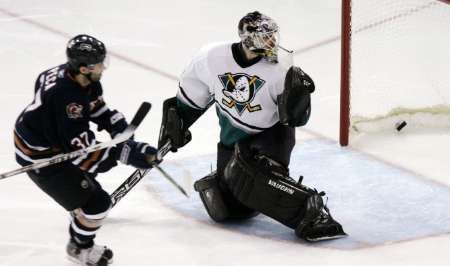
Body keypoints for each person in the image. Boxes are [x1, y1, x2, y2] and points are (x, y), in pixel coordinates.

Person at [158, 11, 346, 241]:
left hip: (270, 138)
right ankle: (242, 179)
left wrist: (299, 97)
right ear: (248, 39)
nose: (272, 42)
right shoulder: (211, 58)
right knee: (227, 209)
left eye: (273, 36)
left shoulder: (281, 70)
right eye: (265, 37)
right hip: (232, 141)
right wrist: (176, 124)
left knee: (247, 175)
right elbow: (191, 97)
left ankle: (312, 210)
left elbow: (296, 120)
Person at [14, 34, 158, 265]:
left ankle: (77, 203)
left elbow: (95, 108)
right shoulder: (66, 98)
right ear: (83, 68)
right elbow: (83, 152)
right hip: (40, 156)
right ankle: (79, 248)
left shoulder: (77, 78)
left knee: (88, 177)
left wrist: (118, 127)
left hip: (45, 138)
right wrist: (126, 153)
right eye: (99, 63)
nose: (103, 66)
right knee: (98, 203)